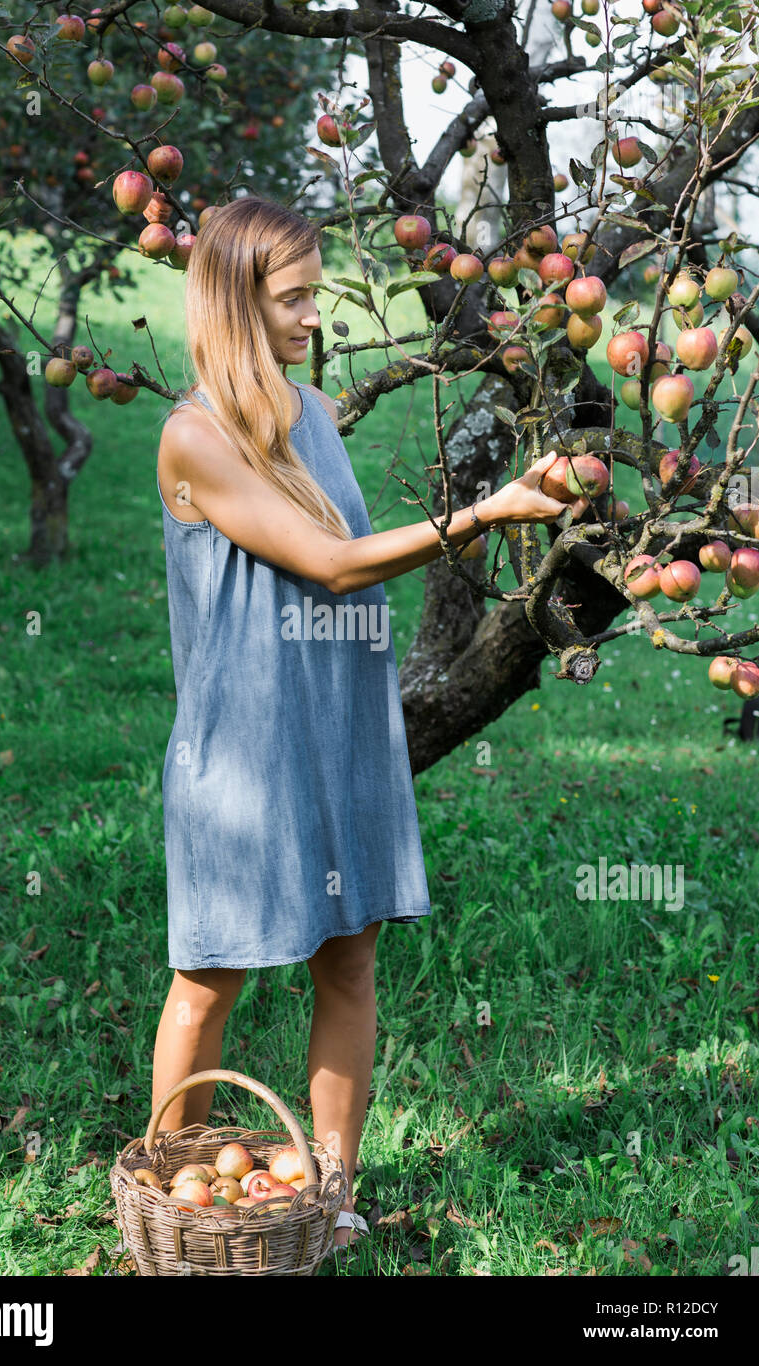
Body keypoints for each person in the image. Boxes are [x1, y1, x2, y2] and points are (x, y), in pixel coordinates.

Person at [152, 195, 584, 1254]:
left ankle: (329, 1196)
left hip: (336, 725)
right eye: (295, 298)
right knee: (210, 976)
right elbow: (330, 560)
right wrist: (482, 514)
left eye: (314, 296)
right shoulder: (192, 437)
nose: (313, 317)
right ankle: (173, 1198)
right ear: (236, 301)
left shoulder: (302, 411)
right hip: (244, 749)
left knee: (347, 961)